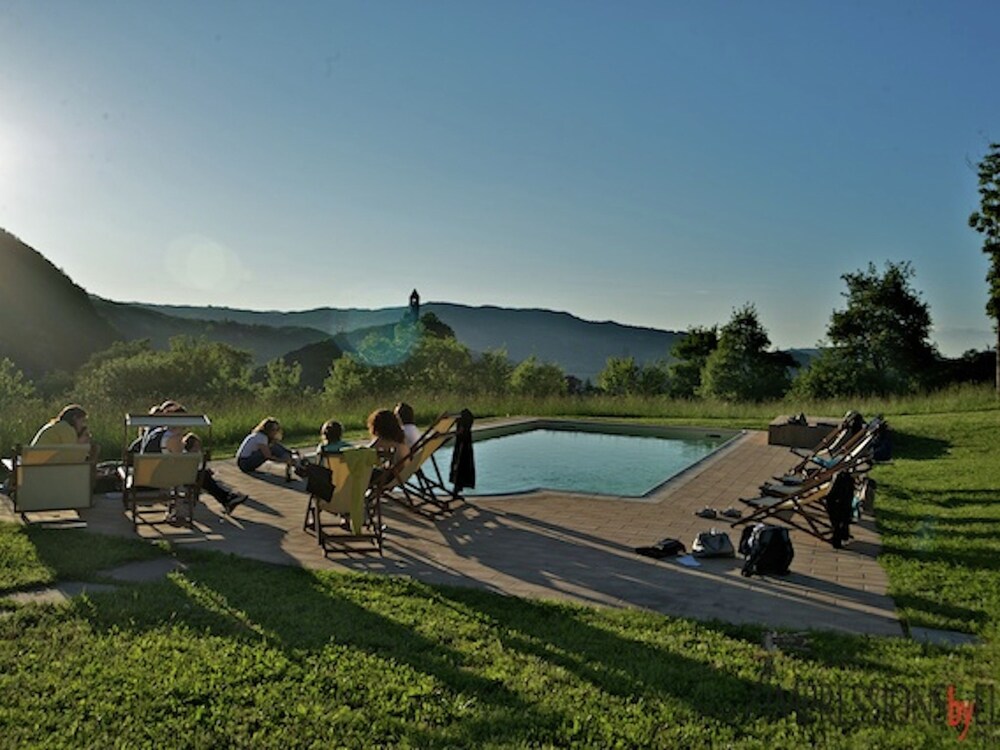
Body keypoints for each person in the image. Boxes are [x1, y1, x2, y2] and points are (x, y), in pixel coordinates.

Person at [182, 433, 248, 515]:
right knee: (208, 480)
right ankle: (229, 499)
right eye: (196, 446)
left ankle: (228, 499)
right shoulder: (186, 455)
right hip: (189, 478)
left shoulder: (195, 454)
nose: (198, 448)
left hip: (196, 476)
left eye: (198, 446)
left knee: (210, 481)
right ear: (189, 446)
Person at [31, 404, 99, 461]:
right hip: (43, 465)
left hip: (35, 463)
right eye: (82, 421)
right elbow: (72, 456)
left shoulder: (58, 426)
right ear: (75, 418)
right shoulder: (66, 429)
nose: (83, 425)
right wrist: (83, 442)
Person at [367, 409, 410, 486]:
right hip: (401, 475)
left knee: (362, 472)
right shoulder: (400, 440)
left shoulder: (383, 441)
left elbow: (366, 451)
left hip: (390, 477)